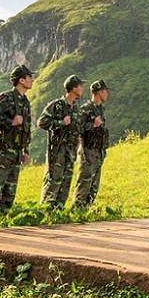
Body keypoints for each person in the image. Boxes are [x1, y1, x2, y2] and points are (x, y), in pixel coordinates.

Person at [0, 64, 35, 218]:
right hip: (4, 151)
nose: (32, 80)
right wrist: (10, 121)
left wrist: (26, 150)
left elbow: (26, 129)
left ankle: (2, 220)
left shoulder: (25, 102)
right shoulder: (6, 98)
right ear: (21, 80)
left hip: (17, 152)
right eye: (29, 77)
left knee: (9, 191)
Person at [38, 75, 83, 208]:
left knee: (65, 184)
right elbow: (42, 122)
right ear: (74, 88)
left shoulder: (75, 108)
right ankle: (45, 212)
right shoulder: (57, 105)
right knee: (53, 181)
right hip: (57, 151)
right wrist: (60, 123)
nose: (82, 89)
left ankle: (58, 213)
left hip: (70, 151)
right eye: (80, 86)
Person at [72, 80, 110, 210]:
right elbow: (77, 127)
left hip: (98, 152)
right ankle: (76, 211)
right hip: (88, 152)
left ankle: (86, 211)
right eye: (105, 91)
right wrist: (92, 125)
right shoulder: (86, 109)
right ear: (99, 92)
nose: (107, 94)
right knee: (84, 184)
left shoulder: (100, 109)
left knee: (94, 187)